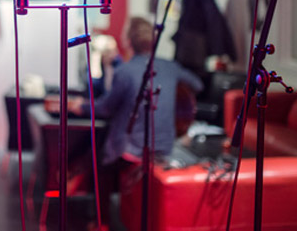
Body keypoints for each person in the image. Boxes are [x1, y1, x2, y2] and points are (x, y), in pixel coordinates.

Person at [70, 17, 203, 228]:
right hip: (165, 146)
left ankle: (101, 221)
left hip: (131, 150)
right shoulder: (170, 67)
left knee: (97, 163)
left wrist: (81, 106)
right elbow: (197, 84)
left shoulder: (125, 71)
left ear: (128, 42)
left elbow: (105, 108)